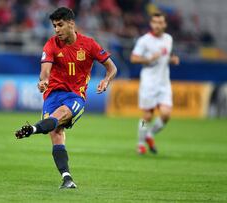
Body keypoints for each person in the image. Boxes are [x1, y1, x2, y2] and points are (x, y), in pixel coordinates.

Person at [15, 7, 117, 189]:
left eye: (60, 25)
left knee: (60, 115)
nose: (57, 30)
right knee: (56, 132)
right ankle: (66, 177)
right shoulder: (51, 45)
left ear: (71, 23)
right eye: (54, 26)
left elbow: (112, 67)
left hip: (75, 96)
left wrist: (106, 80)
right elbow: (44, 71)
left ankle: (31, 129)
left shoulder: (89, 44)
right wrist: (43, 82)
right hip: (52, 94)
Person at [130, 13, 180, 155]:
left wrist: (172, 60)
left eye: (160, 22)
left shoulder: (168, 39)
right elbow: (133, 58)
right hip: (149, 83)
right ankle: (140, 143)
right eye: (155, 22)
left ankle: (149, 134)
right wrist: (148, 59)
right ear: (151, 24)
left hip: (164, 83)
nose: (157, 25)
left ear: (164, 24)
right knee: (147, 116)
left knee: (166, 114)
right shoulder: (144, 41)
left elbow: (164, 57)